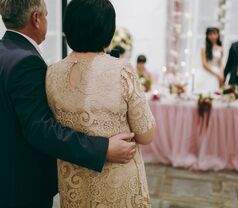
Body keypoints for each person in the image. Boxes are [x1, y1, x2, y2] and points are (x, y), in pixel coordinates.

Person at [0, 0, 136, 207]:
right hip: (21, 182)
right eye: (46, 14)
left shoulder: (5, 51)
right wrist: (102, 149)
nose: (47, 19)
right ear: (36, 19)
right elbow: (39, 128)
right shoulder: (26, 61)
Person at [46, 0, 156, 207]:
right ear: (108, 31)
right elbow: (146, 134)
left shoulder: (51, 73)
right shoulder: (122, 70)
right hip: (117, 186)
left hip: (74, 187)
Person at [200, 27, 224, 93]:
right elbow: (204, 64)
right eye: (210, 34)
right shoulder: (204, 48)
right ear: (207, 36)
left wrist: (221, 73)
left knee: (218, 92)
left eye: (214, 34)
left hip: (218, 72)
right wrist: (216, 74)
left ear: (218, 35)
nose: (213, 36)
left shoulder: (221, 48)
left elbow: (221, 63)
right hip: (208, 72)